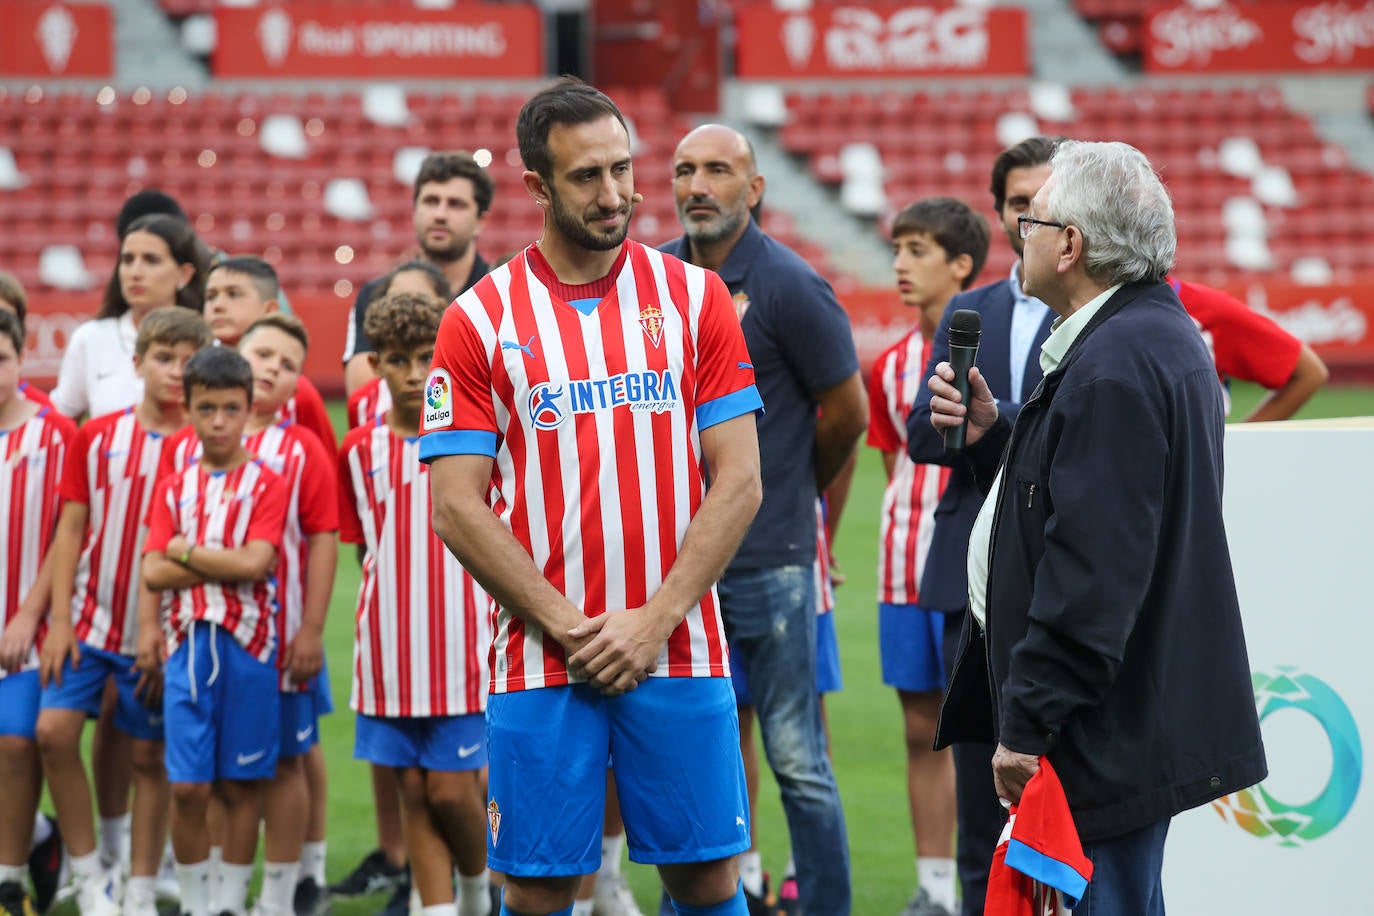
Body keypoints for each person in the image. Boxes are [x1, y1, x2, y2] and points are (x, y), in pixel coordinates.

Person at [422, 78, 763, 916]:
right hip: (542, 654)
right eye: (586, 177)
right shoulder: (478, 320)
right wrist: (574, 630)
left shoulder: (693, 298)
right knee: (539, 888)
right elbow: (456, 505)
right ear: (537, 186)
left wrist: (652, 621)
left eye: (622, 169)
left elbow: (742, 478)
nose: (615, 195)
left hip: (679, 644)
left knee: (708, 876)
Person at [927, 140, 1267, 913]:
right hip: (1122, 717)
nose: (1022, 234)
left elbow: (1093, 576)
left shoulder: (1114, 363)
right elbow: (1098, 495)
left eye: (1032, 220)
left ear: (1072, 244)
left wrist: (1027, 724)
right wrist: (1003, 434)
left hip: (1098, 734)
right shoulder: (1149, 336)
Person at [661, 123, 864, 915]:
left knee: (796, 758)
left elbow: (846, 412)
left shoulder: (789, 286)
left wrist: (793, 492)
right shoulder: (657, 282)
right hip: (678, 562)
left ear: (755, 190)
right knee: (692, 747)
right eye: (684, 170)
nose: (698, 185)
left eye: (718, 169)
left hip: (771, 558)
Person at [905, 135, 1062, 916]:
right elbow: (918, 433)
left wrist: (1000, 428)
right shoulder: (971, 311)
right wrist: (969, 425)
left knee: (1064, 805)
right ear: (999, 212)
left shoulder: (1097, 318)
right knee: (977, 806)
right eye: (1018, 203)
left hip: (1060, 578)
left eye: (1044, 201)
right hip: (968, 584)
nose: (1029, 216)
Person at [25, 308, 210, 916]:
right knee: (52, 734)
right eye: (163, 358)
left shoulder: (199, 449)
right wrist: (56, 622)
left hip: (155, 636)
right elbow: (70, 526)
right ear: (137, 363)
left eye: (188, 361)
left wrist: (160, 631)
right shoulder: (97, 435)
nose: (175, 372)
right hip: (87, 620)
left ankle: (135, 884)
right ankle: (90, 872)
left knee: (147, 758)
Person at [340, 291, 496, 916]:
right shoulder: (358, 448)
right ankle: (435, 906)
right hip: (388, 651)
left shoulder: (475, 439)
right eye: (398, 360)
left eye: (427, 357)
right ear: (376, 364)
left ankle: (480, 893)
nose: (414, 374)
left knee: (455, 791)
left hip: (464, 646)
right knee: (410, 785)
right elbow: (365, 547)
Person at [869, 198, 989, 916]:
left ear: (962, 265)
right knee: (919, 728)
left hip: (968, 570)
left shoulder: (995, 342)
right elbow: (893, 461)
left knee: (977, 733)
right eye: (898, 250)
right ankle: (935, 886)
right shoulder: (889, 363)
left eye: (918, 250)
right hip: (900, 565)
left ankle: (992, 874)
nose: (901, 265)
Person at [139, 347, 288, 916]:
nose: (219, 421)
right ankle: (199, 903)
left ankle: (229, 902)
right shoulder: (175, 485)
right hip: (186, 650)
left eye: (231, 408)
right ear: (190, 410)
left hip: (249, 648)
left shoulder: (266, 484)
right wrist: (209, 558)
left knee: (241, 785)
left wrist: (182, 548)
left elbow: (256, 563)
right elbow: (151, 571)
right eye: (207, 409)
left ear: (250, 409)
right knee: (188, 786)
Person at [0, 308, 77, 916]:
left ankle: (10, 877)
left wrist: (30, 613)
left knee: (19, 746)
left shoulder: (54, 432)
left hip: (28, 622)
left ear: (21, 359)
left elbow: (67, 531)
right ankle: (44, 840)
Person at [341, 151, 493, 396]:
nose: (440, 214)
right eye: (431, 201)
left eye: (456, 204)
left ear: (481, 221)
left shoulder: (500, 293)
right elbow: (363, 394)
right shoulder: (378, 293)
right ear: (415, 211)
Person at [51, 214, 207, 420]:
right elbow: (59, 418)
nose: (135, 272)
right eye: (127, 259)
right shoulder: (91, 339)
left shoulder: (207, 341)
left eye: (151, 260)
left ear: (184, 274)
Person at [202, 257, 336, 453]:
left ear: (270, 309)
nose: (218, 305)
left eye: (233, 294)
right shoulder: (193, 377)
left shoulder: (299, 394)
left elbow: (326, 469)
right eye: (211, 296)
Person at [345, 260, 452, 429]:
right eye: (396, 298)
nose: (406, 307)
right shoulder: (363, 403)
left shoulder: (469, 391)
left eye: (419, 298)